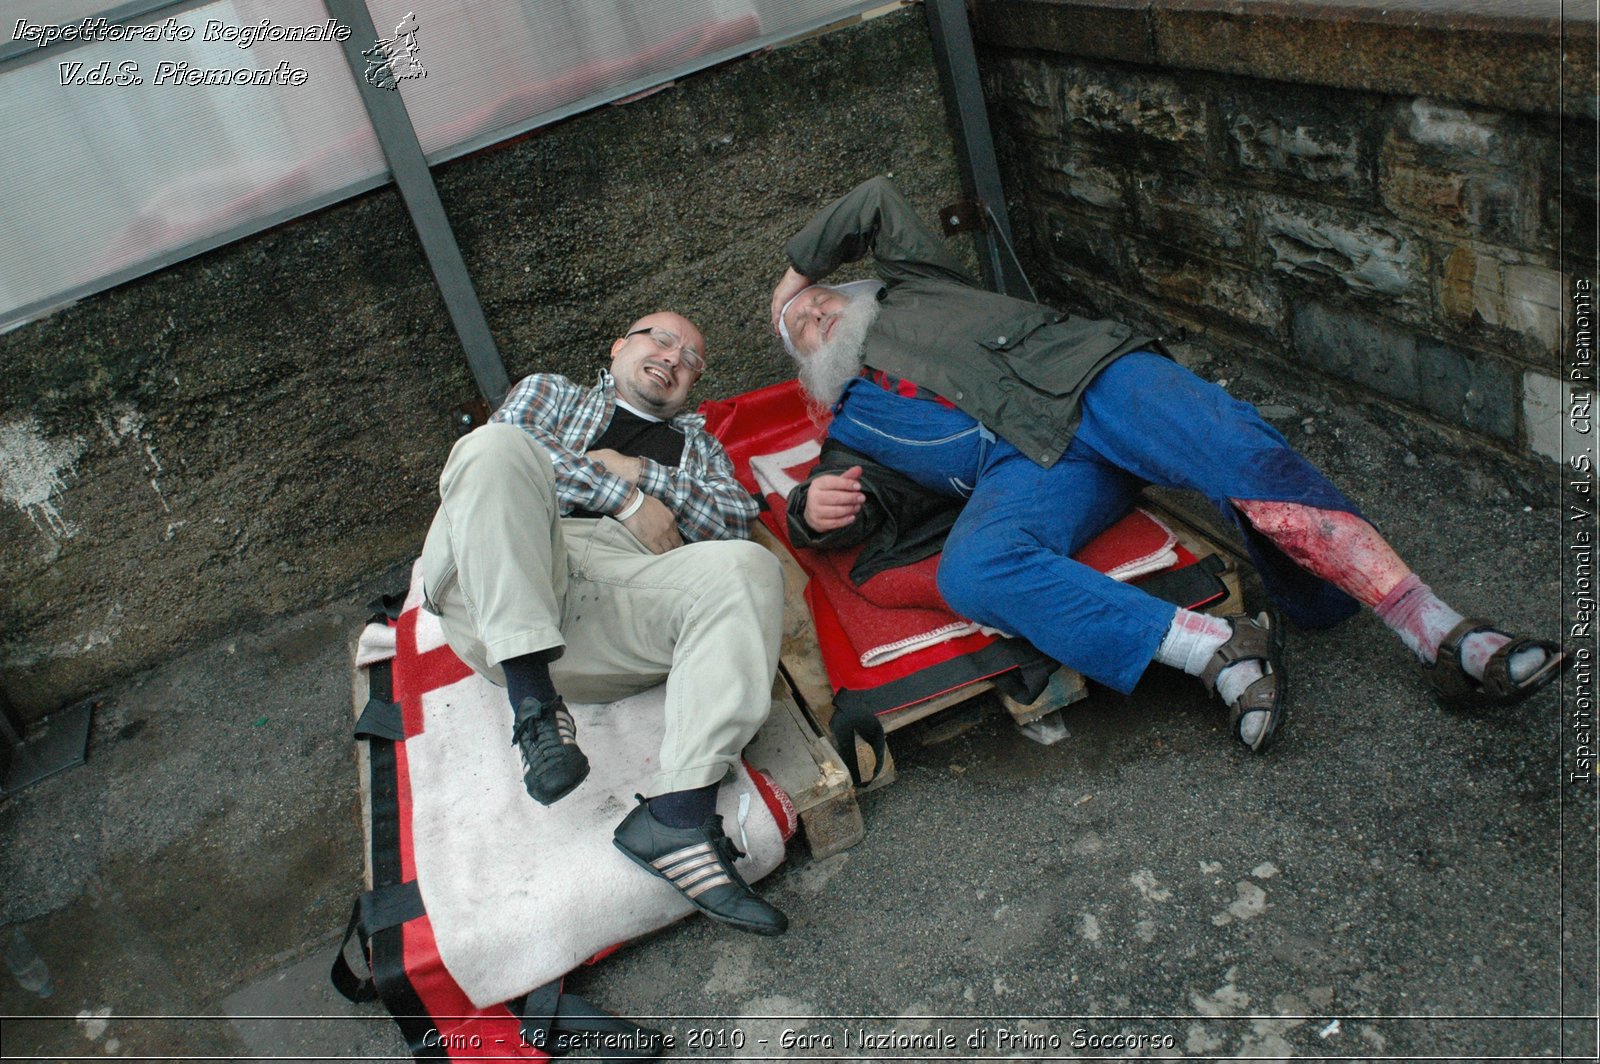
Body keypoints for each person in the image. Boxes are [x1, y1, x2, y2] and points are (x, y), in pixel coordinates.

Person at [770, 176, 1566, 752]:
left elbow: (875, 196)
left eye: (820, 299)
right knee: (972, 571)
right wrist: (812, 513)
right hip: (1037, 471)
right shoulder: (853, 427)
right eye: (799, 328)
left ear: (857, 288)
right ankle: (1216, 649)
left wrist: (790, 277)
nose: (813, 314)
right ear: (809, 373)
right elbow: (859, 513)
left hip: (1088, 379)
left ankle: (1439, 635)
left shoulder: (916, 286)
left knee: (1236, 447)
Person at [419, 310, 788, 935]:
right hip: (496, 584)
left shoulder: (699, 450)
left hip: (604, 617)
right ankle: (533, 705)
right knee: (493, 446)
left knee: (749, 567)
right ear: (619, 346)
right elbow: (512, 449)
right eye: (661, 339)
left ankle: (676, 819)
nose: (674, 358)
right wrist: (632, 502)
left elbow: (732, 519)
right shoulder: (553, 392)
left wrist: (640, 469)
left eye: (692, 358)